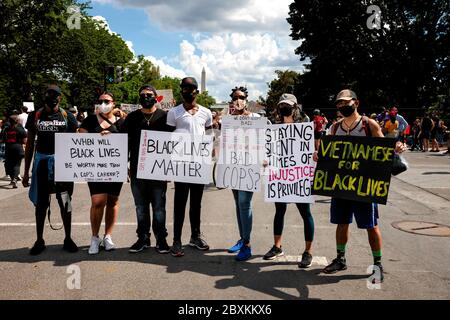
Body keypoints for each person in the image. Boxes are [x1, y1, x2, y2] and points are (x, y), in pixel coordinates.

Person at [319, 89, 406, 283]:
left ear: (356, 103)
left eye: (345, 102)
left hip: (364, 185)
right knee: (342, 223)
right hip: (341, 185)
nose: (342, 106)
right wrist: (319, 155)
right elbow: (328, 153)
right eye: (339, 103)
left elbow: (384, 149)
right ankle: (340, 258)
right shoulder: (334, 128)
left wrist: (396, 148)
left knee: (371, 226)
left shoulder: (369, 124)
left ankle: (377, 263)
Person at [22, 84, 79, 255]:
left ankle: (68, 238)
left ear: (60, 98)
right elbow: (30, 144)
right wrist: (25, 172)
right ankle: (39, 240)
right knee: (41, 204)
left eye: (55, 94)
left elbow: (76, 145)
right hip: (41, 165)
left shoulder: (67, 116)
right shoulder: (35, 116)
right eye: (49, 94)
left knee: (65, 202)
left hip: (62, 167)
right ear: (44, 96)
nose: (52, 97)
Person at [262, 93, 315, 268]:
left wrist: (314, 155)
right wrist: (266, 159)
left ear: (295, 107)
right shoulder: (274, 126)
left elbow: (312, 148)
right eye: (282, 105)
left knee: (305, 212)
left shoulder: (304, 125)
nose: (284, 108)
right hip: (280, 175)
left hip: (299, 175)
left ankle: (308, 251)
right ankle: (277, 246)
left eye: (287, 105)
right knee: (279, 210)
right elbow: (269, 149)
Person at [121, 85, 172, 254]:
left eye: (149, 95)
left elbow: (174, 143)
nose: (145, 97)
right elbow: (123, 142)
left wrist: (170, 168)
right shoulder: (132, 117)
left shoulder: (165, 117)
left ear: (156, 98)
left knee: (159, 207)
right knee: (140, 207)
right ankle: (143, 238)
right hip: (137, 170)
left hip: (158, 171)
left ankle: (161, 239)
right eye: (142, 95)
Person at [166, 77, 213, 257]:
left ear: (197, 91)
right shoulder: (174, 113)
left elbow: (209, 135)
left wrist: (212, 150)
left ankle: (195, 236)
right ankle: (176, 240)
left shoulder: (206, 113)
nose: (189, 90)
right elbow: (168, 140)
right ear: (181, 90)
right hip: (181, 164)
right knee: (179, 203)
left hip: (199, 164)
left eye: (192, 87)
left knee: (196, 203)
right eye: (185, 87)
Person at [78, 92, 125, 254]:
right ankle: (94, 237)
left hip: (114, 167)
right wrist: (96, 137)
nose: (103, 103)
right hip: (95, 168)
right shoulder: (90, 120)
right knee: (98, 201)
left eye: (107, 101)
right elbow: (80, 139)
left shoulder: (121, 121)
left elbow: (127, 141)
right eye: (100, 101)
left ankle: (108, 236)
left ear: (113, 103)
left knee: (112, 201)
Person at [225, 86, 260, 261]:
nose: (238, 100)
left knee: (245, 204)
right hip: (233, 167)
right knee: (238, 204)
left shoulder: (256, 118)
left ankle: (247, 245)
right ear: (232, 101)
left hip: (249, 167)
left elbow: (265, 139)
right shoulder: (228, 120)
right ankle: (242, 238)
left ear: (246, 99)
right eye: (235, 97)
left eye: (241, 97)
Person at [2, 115, 27, 188]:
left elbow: (3, 139)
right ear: (17, 121)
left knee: (9, 165)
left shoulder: (6, 129)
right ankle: (15, 179)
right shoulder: (20, 129)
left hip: (8, 148)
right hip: (18, 148)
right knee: (16, 164)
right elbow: (25, 141)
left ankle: (13, 179)